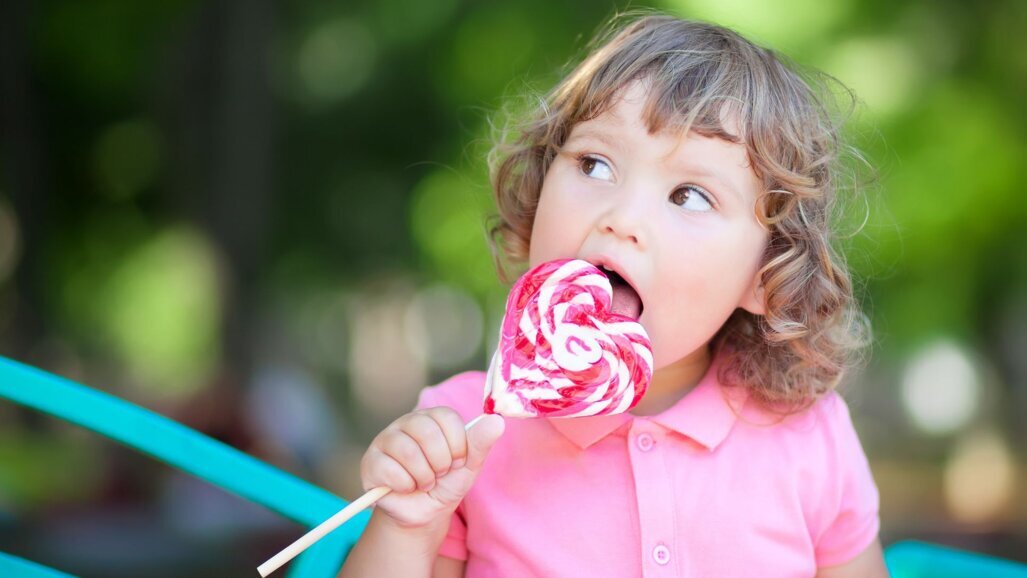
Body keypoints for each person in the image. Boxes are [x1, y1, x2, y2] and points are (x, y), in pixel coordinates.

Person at [340, 11, 888, 578]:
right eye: (595, 164)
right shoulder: (461, 432)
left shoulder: (809, 437)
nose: (621, 218)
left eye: (690, 196)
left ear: (767, 275)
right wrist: (406, 526)